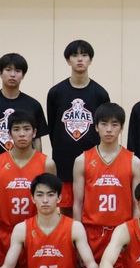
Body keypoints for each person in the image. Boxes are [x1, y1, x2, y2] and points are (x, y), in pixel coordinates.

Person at [0, 53, 49, 218]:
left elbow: (37, 140)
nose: (13, 74)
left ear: (23, 75)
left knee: (30, 218)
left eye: (17, 71)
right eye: (8, 70)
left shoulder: (33, 105)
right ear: (0, 72)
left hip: (26, 175)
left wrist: (39, 170)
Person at [46, 40, 111, 214]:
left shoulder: (100, 94)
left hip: (93, 162)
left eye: (84, 55)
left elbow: (105, 127)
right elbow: (53, 128)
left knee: (91, 209)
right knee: (66, 211)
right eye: (75, 55)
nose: (80, 59)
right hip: (64, 162)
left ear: (91, 60)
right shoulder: (55, 93)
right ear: (68, 60)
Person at [73, 103, 140, 262]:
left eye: (114, 124)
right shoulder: (82, 160)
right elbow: (77, 203)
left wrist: (132, 235)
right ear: (96, 127)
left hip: (121, 233)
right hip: (91, 233)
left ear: (122, 127)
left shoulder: (135, 162)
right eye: (104, 124)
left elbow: (137, 205)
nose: (109, 129)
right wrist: (78, 239)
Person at [0, 111, 56, 268]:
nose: (22, 134)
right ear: (9, 133)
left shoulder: (47, 163)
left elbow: (51, 200)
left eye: (26, 129)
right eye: (16, 129)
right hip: (5, 234)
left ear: (34, 132)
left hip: (35, 233)